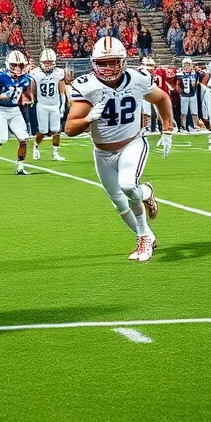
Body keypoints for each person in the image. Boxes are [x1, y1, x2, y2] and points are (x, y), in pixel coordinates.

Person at [65, 37, 174, 262]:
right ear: (94, 63)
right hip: (102, 153)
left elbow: (162, 98)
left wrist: (168, 129)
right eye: (102, 63)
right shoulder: (87, 85)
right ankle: (147, 231)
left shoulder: (137, 79)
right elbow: (70, 128)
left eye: (113, 62)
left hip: (132, 143)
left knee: (127, 185)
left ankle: (143, 235)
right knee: (118, 202)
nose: (108, 68)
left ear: (123, 61)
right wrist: (87, 118)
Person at [28, 49, 67, 161]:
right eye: (47, 62)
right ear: (42, 62)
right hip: (42, 105)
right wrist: (32, 99)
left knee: (56, 130)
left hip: (55, 105)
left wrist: (62, 106)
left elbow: (62, 91)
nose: (49, 65)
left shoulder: (59, 72)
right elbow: (33, 90)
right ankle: (36, 146)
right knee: (43, 131)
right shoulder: (35, 73)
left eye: (51, 62)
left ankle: (55, 153)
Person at [176, 57, 202, 132]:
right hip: (184, 95)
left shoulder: (195, 72)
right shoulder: (180, 73)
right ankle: (183, 126)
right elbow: (177, 83)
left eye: (188, 64)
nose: (187, 66)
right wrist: (179, 91)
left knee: (194, 111)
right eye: (185, 64)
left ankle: (195, 125)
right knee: (184, 112)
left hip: (193, 94)